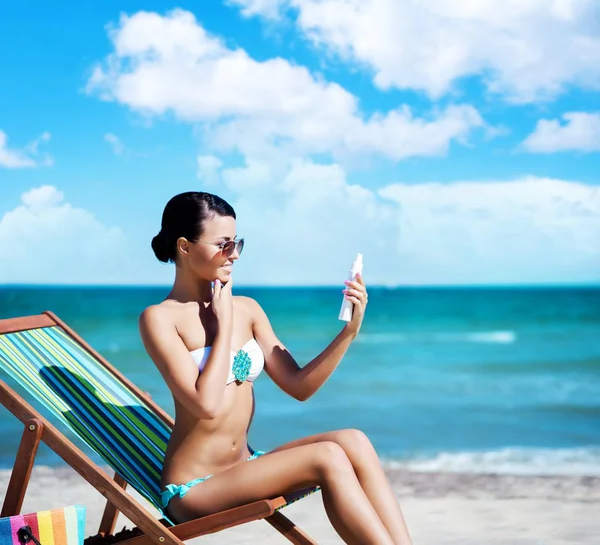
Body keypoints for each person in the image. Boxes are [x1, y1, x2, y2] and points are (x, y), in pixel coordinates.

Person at [139, 191, 412, 545]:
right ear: (185, 247)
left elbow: (299, 386)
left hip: (245, 466)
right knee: (327, 456)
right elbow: (205, 406)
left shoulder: (248, 308)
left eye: (236, 243)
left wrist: (349, 331)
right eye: (223, 244)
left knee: (353, 441)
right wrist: (223, 325)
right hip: (195, 489)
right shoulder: (159, 319)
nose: (233, 254)